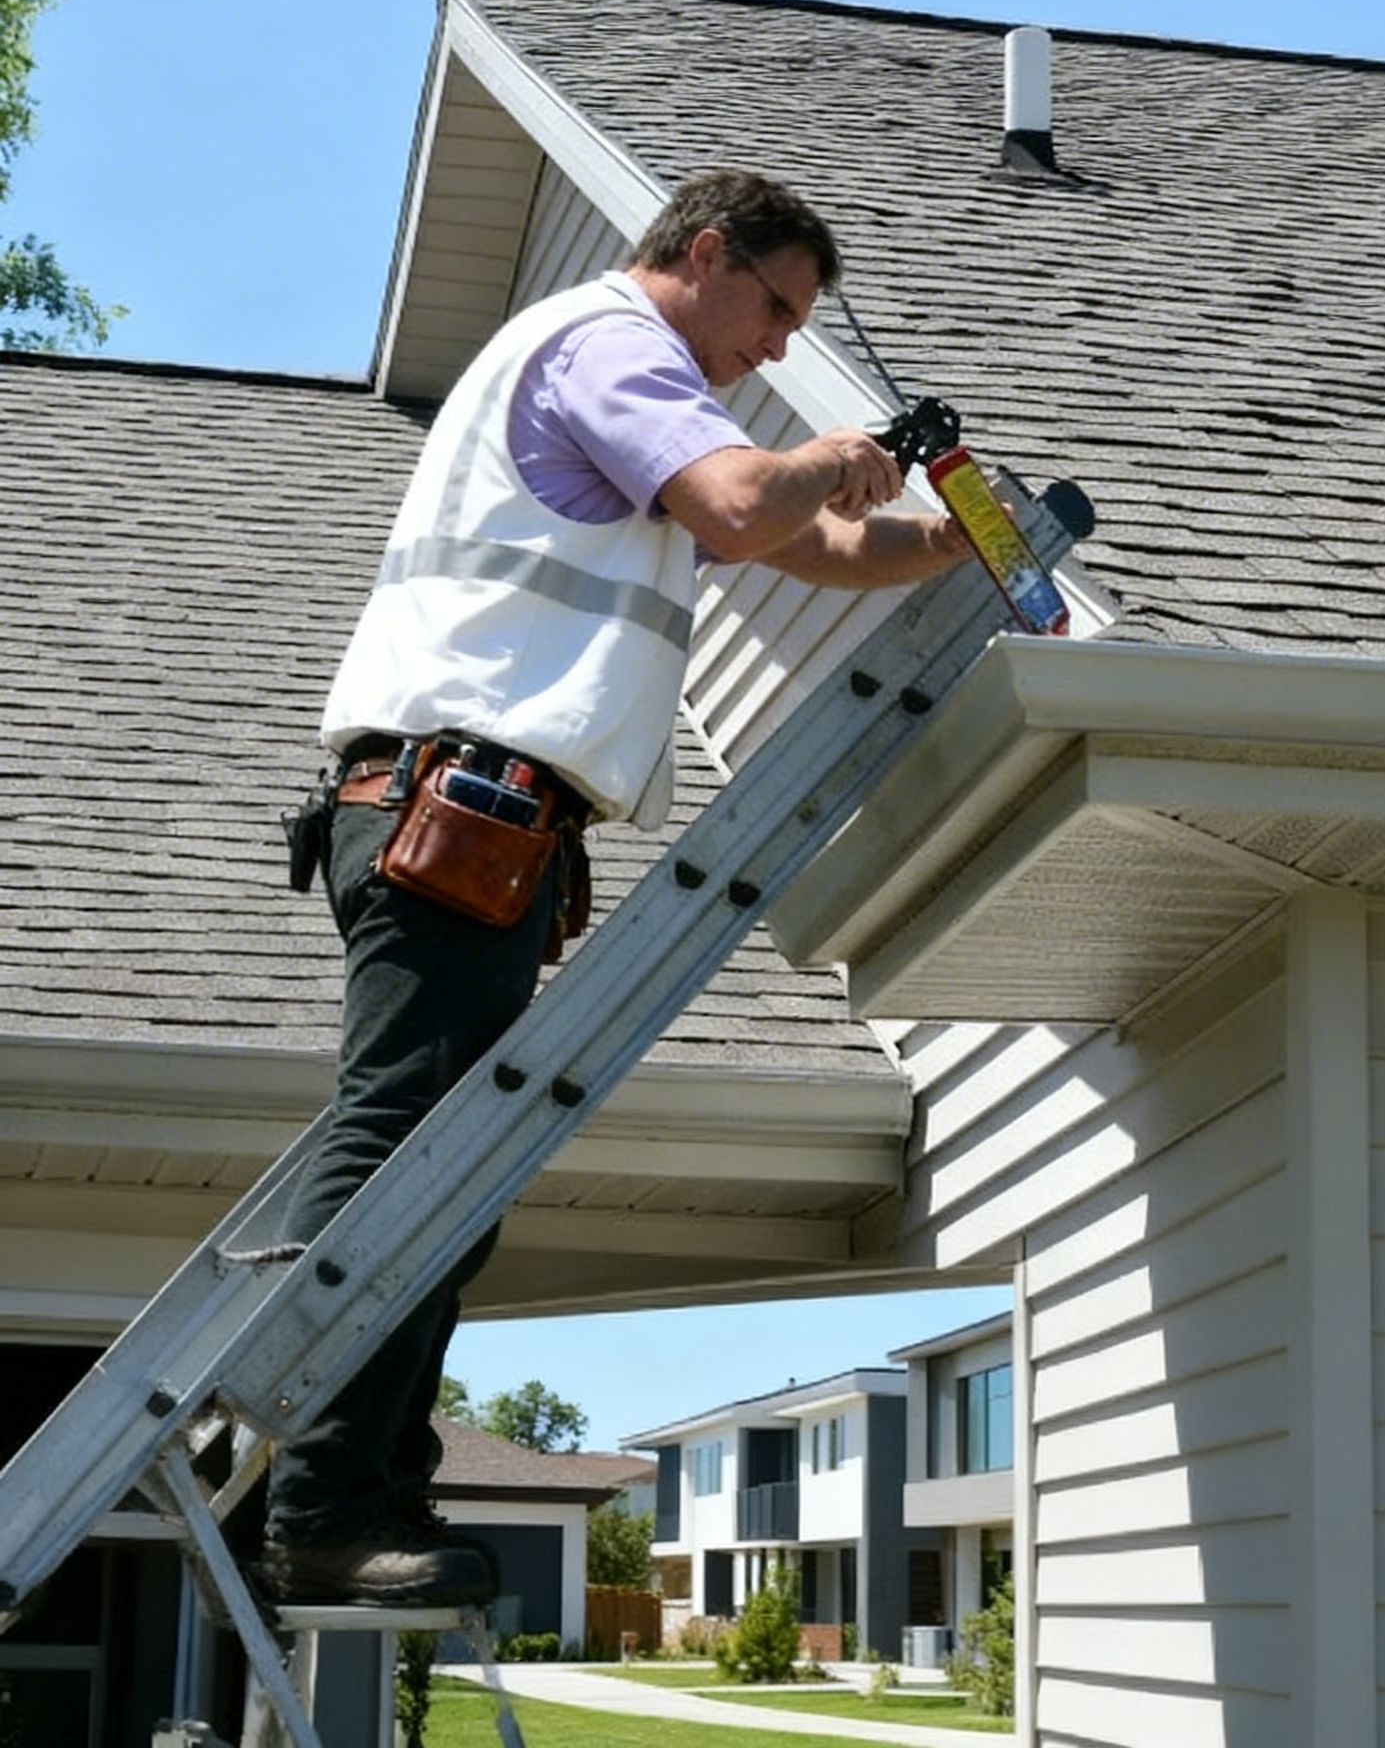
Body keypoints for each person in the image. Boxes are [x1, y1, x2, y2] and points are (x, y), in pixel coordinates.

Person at [259, 169, 973, 1606]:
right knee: (406, 1150)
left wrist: (955, 535)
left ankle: (373, 1490)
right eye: (770, 305)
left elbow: (817, 545)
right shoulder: (609, 344)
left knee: (447, 1185)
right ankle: (321, 1501)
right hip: (451, 807)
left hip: (483, 823)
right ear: (702, 254)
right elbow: (738, 507)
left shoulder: (629, 377)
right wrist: (838, 454)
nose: (774, 345)